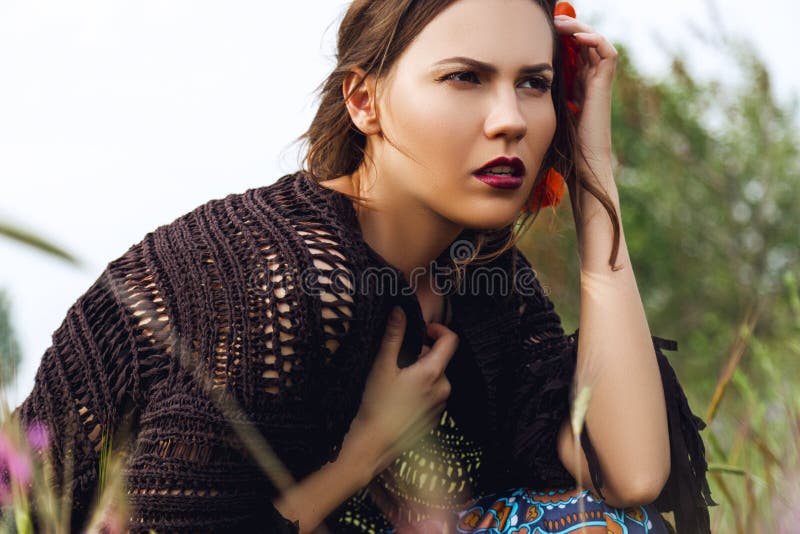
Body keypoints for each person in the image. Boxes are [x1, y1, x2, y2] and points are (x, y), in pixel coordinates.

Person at [12, 0, 715, 532]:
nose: (510, 119)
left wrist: (595, 179)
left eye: (532, 84)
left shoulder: (482, 278)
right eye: (465, 77)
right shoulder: (277, 278)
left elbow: (632, 474)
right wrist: (366, 449)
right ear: (364, 100)